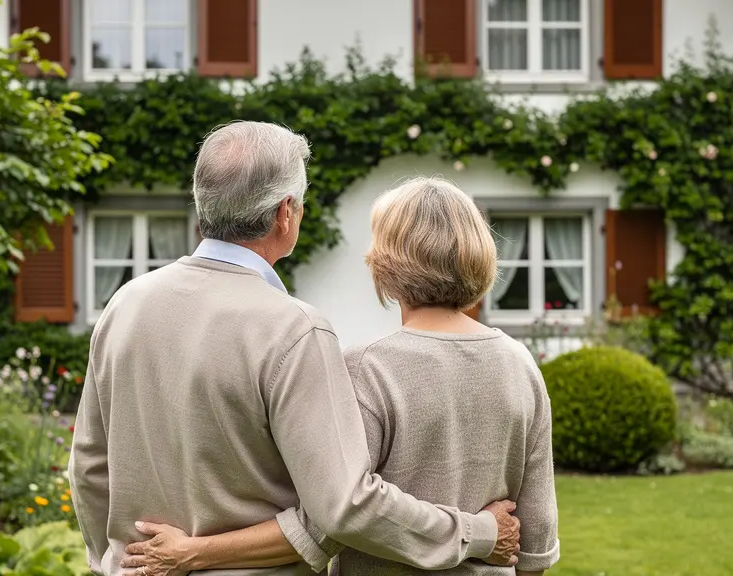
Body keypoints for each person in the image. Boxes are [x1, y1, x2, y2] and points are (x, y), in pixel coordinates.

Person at [67, 122, 522, 576]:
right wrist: (476, 532)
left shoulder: (124, 304)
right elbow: (342, 509)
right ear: (286, 213)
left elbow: (88, 468)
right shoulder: (294, 330)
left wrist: (114, 563)